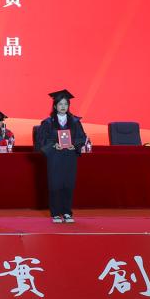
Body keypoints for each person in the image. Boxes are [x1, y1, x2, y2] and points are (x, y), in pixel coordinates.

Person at [36, 89, 87, 224]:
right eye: (60, 104)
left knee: (68, 184)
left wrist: (74, 145)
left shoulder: (75, 121)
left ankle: (67, 212)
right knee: (55, 184)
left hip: (70, 156)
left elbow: (81, 137)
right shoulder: (48, 122)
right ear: (55, 106)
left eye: (65, 104)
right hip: (55, 157)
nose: (63, 106)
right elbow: (41, 140)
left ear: (68, 106)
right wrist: (53, 145)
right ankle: (55, 213)